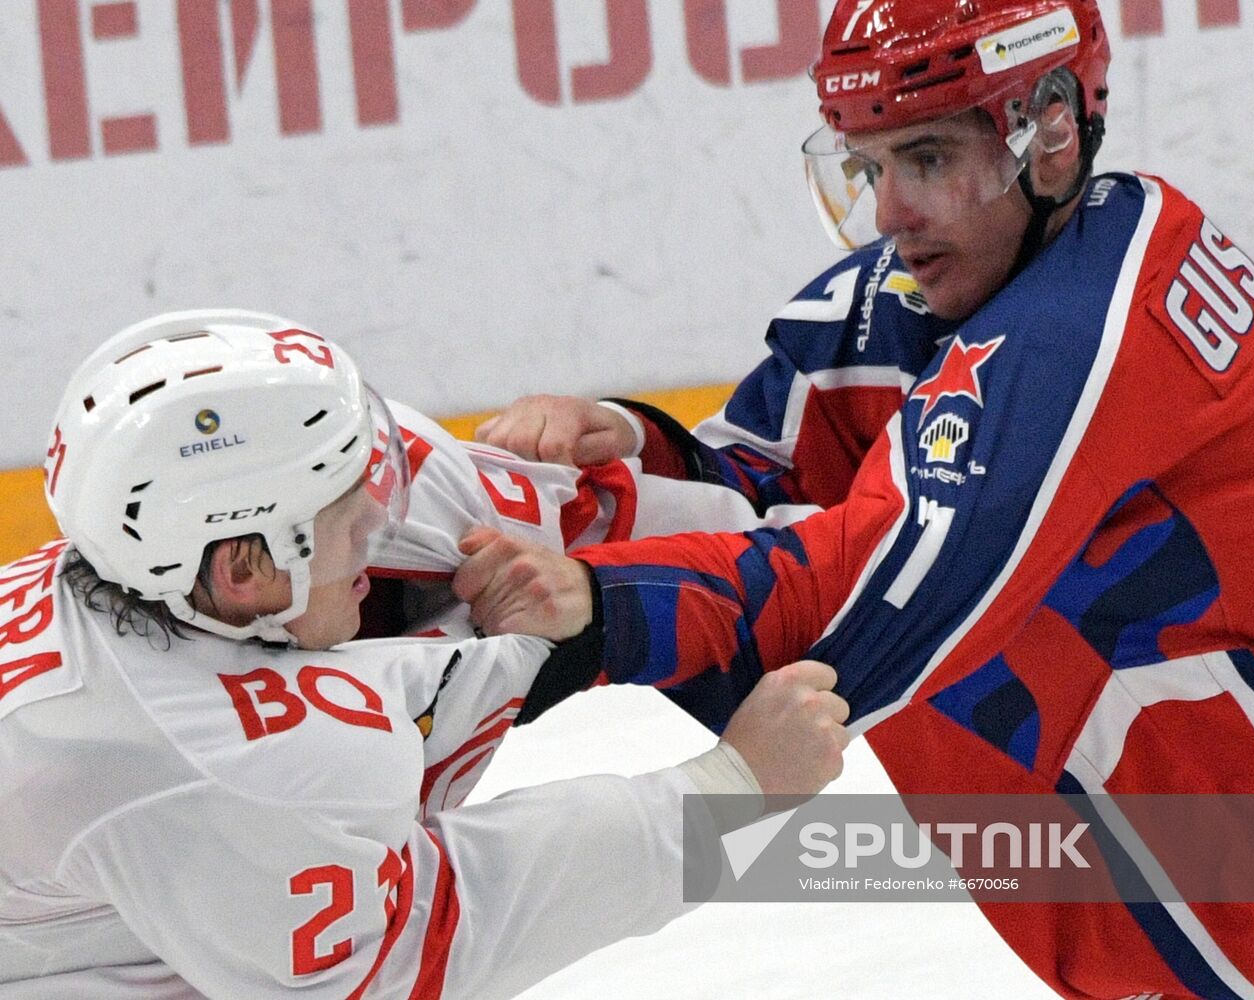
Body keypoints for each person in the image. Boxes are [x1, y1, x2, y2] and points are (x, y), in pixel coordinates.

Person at [456, 1, 1254, 997]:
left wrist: (598, 611)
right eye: (868, 168)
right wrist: (633, 464)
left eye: (923, 159)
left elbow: (860, 604)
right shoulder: (934, 291)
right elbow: (770, 488)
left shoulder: (1085, 332)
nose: (888, 216)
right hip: (1193, 912)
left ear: (1048, 133)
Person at [0, 312, 850, 999]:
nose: (384, 525)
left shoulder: (293, 496)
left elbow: (694, 531)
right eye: (349, 519)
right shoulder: (200, 767)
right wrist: (728, 792)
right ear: (248, 567)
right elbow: (437, 942)